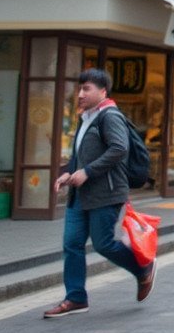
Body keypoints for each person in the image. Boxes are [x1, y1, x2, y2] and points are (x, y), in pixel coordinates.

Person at [43, 68, 155, 318]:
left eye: (86, 89)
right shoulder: (85, 119)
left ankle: (142, 268)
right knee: (71, 244)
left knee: (103, 244)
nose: (80, 94)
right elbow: (81, 155)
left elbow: (119, 148)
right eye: (79, 89)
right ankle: (75, 298)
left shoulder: (109, 116)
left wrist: (88, 172)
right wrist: (68, 172)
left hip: (106, 193)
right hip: (80, 195)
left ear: (103, 92)